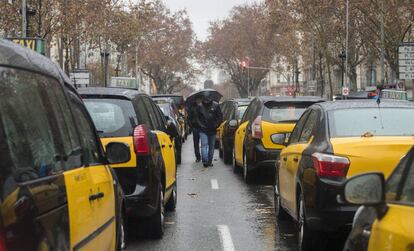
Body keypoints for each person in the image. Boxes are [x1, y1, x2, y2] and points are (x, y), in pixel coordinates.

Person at [196, 95, 223, 167]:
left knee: (205, 145)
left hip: (208, 129)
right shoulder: (201, 106)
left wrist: (201, 125)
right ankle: (208, 161)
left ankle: (206, 161)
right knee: (210, 146)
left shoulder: (214, 106)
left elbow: (220, 117)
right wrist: (216, 125)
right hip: (206, 129)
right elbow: (220, 117)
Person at [187, 97, 202, 162]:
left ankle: (199, 157)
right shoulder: (198, 108)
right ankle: (199, 156)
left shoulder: (192, 108)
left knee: (197, 143)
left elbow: (189, 119)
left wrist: (191, 126)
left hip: (197, 127)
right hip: (199, 127)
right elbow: (189, 118)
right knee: (200, 143)